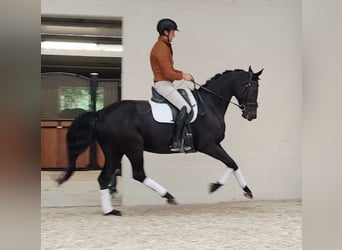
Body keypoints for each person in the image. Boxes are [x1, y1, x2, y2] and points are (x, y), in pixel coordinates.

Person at [150, 18, 193, 152]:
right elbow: (168, 73)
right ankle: (176, 141)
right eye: (173, 32)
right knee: (185, 107)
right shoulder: (161, 48)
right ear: (166, 32)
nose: (174, 35)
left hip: (166, 83)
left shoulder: (165, 46)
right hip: (163, 84)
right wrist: (183, 76)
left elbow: (170, 71)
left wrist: (182, 74)